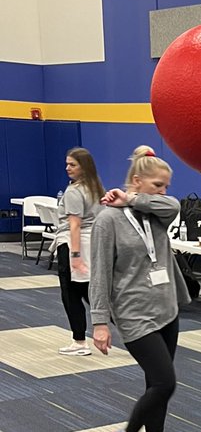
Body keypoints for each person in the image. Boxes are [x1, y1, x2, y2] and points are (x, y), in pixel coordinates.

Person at [90, 146, 189, 432]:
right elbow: (100, 273)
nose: (163, 192)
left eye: (166, 186)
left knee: (154, 385)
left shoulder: (156, 212)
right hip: (134, 313)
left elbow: (174, 206)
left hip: (166, 308)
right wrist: (99, 322)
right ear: (136, 180)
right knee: (165, 383)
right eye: (157, 185)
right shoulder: (107, 220)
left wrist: (132, 199)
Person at [56, 147, 105, 356]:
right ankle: (129, 330)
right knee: (89, 292)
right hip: (92, 244)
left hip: (73, 244)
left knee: (71, 294)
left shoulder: (74, 191)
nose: (68, 168)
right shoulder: (96, 187)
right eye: (67, 164)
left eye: (72, 164)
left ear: (84, 167)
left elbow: (74, 225)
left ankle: (79, 341)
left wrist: (74, 256)